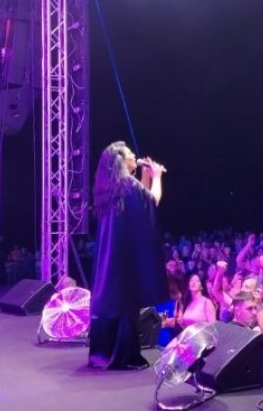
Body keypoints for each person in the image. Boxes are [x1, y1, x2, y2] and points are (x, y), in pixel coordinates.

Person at [87, 141, 168, 370]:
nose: (135, 156)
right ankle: (123, 356)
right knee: (125, 301)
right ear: (121, 161)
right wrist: (157, 177)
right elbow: (152, 201)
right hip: (124, 260)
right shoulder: (127, 184)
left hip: (112, 257)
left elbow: (140, 208)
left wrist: (145, 176)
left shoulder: (113, 187)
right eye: (131, 154)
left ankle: (104, 353)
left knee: (114, 299)